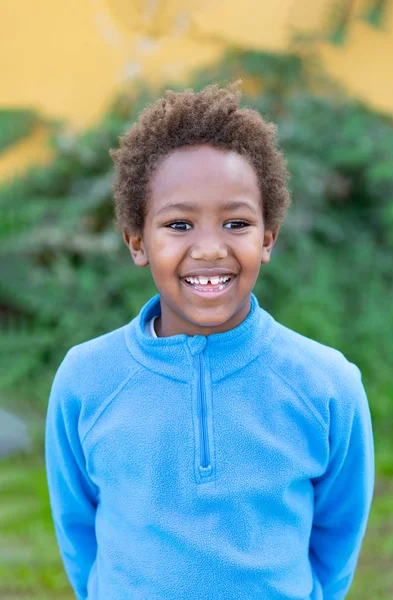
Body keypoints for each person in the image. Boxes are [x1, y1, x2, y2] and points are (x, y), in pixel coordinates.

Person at [45, 82, 374, 600]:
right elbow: (77, 528)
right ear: (137, 241)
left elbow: (337, 538)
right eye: (179, 224)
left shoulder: (328, 385)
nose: (209, 248)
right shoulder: (86, 380)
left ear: (267, 237)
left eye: (236, 223)